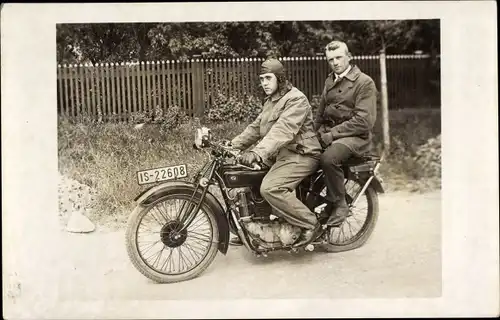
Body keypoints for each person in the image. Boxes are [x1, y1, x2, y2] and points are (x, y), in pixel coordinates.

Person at [228, 57, 323, 247]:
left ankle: (311, 224)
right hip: (280, 155)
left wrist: (257, 152)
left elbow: (283, 130)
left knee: (270, 188)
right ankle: (252, 228)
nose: (264, 83)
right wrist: (232, 145)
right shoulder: (271, 101)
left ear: (280, 78)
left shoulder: (296, 99)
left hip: (301, 154)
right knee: (246, 177)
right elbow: (256, 128)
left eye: (268, 78)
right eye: (261, 79)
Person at [314, 40, 378, 227]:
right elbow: (320, 114)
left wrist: (332, 134)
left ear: (349, 57)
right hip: (331, 134)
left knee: (328, 159)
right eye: (331, 59)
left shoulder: (364, 82)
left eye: (339, 57)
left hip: (355, 137)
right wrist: (312, 135)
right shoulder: (330, 80)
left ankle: (340, 204)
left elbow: (364, 121)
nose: (335, 62)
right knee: (302, 154)